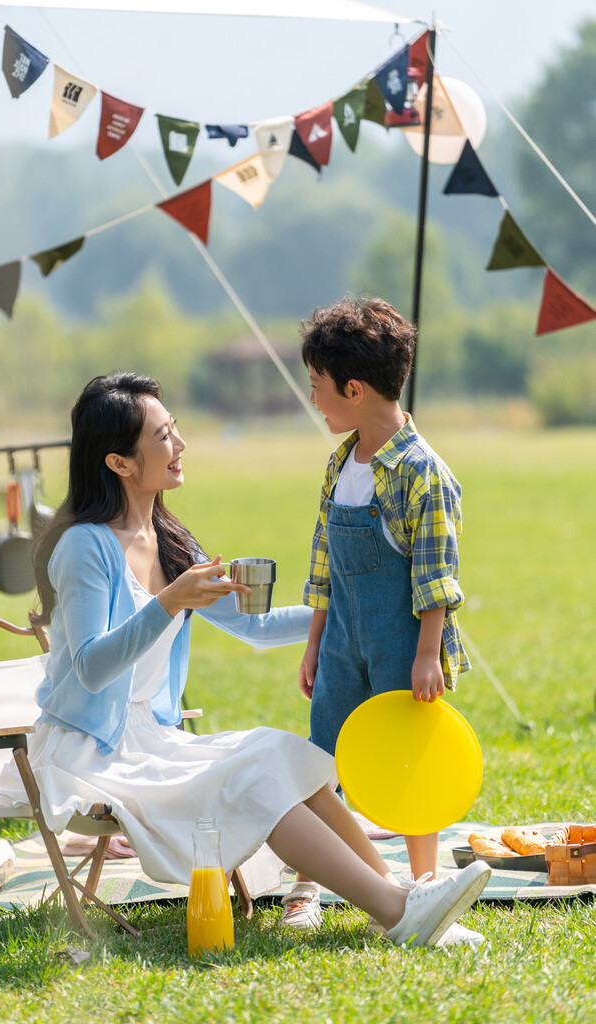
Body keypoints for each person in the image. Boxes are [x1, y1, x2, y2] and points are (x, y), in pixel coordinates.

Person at [0, 371, 489, 948]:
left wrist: (357, 614)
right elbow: (89, 666)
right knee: (254, 780)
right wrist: (168, 602)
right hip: (90, 752)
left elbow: (253, 627)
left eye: (174, 430)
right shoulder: (83, 546)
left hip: (150, 741)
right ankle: (398, 912)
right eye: (162, 437)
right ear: (120, 463)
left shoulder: (169, 537)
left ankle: (404, 900)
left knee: (280, 750)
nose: (179, 446)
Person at [283, 297, 478, 945]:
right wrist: (313, 644)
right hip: (341, 640)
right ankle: (308, 885)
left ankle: (422, 887)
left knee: (407, 763)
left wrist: (427, 653)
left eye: (318, 387)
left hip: (402, 640)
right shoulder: (340, 462)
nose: (314, 399)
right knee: (319, 760)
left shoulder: (423, 473)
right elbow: (322, 566)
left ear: (354, 388)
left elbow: (437, 576)